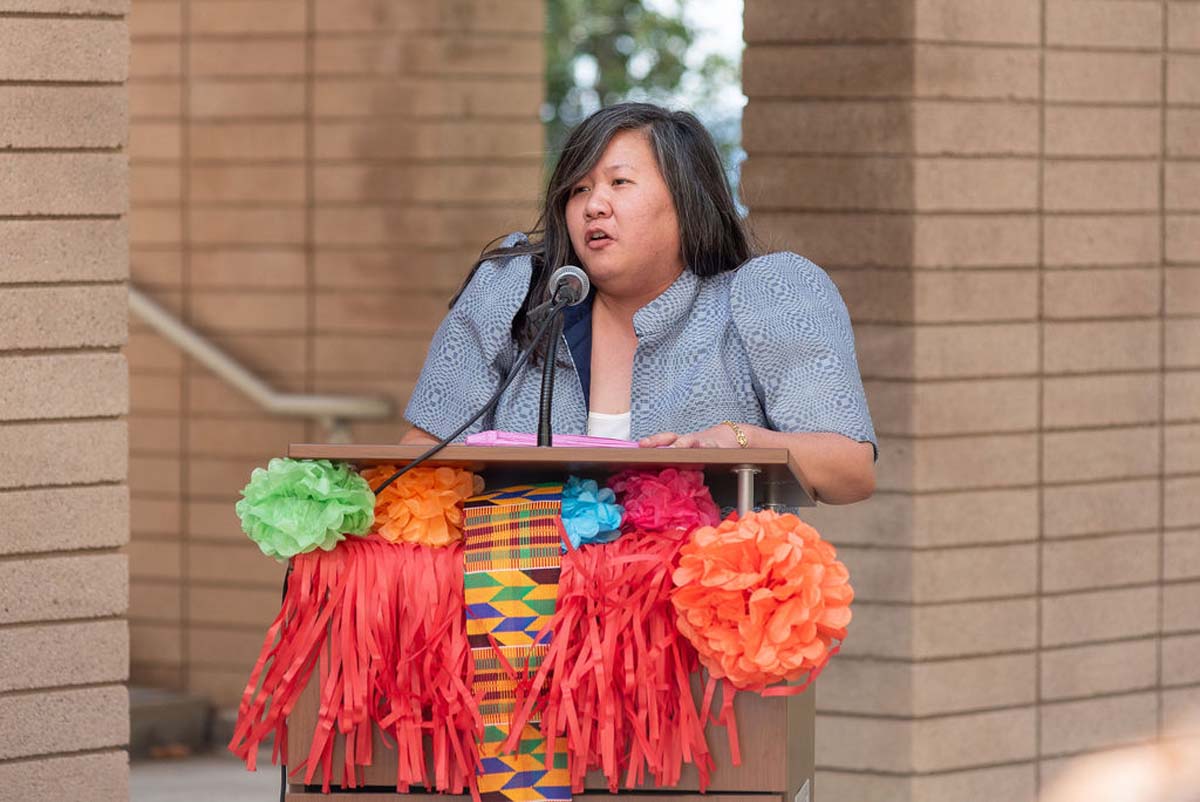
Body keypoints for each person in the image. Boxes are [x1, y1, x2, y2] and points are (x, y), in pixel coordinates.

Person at [401, 103, 877, 505]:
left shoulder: (766, 292)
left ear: (686, 199)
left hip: (701, 600)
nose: (593, 206)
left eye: (619, 183)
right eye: (579, 189)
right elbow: (418, 460)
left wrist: (737, 441)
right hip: (522, 603)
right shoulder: (514, 293)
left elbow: (849, 470)